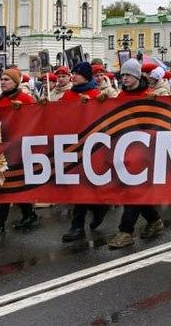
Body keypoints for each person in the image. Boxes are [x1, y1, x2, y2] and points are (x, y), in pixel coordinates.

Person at [105, 59, 166, 249]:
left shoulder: (149, 96)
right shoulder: (121, 96)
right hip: (125, 148)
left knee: (134, 189)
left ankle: (126, 231)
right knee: (132, 189)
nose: (124, 78)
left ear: (137, 76)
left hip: (145, 150)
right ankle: (154, 220)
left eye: (128, 75)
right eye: (122, 75)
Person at [0, 68, 40, 238]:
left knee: (6, 184)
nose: (2, 82)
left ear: (16, 82)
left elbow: (36, 119)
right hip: (1, 145)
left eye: (6, 79)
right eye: (1, 79)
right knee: (12, 183)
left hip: (18, 146)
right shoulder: (0, 99)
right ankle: (29, 214)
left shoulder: (25, 98)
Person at [59, 61, 110, 242]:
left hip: (91, 146)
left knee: (84, 185)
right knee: (78, 185)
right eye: (73, 73)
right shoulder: (67, 95)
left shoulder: (96, 95)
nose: (73, 76)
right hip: (72, 145)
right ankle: (97, 209)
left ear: (86, 76)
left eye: (77, 73)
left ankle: (78, 225)